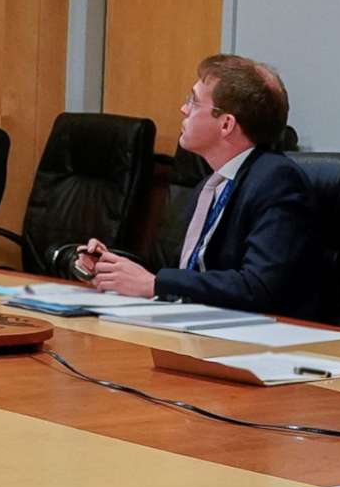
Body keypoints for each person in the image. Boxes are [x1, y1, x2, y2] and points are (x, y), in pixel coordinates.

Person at [77, 54, 314, 316]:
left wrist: (154, 284)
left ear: (226, 124)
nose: (183, 109)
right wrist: (114, 269)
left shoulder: (276, 181)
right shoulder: (210, 185)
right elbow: (185, 271)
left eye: (193, 101)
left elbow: (258, 286)